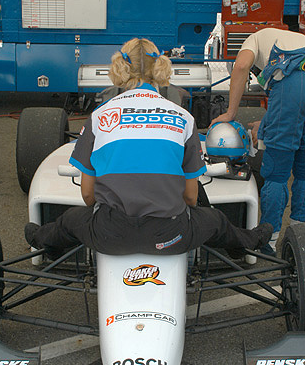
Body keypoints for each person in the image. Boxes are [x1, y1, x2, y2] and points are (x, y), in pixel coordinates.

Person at [25, 38, 272, 260]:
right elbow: (191, 197)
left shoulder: (99, 117)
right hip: (171, 238)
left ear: (120, 67)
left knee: (69, 221)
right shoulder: (183, 118)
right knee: (216, 221)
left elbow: (88, 196)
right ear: (160, 67)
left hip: (110, 237)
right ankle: (246, 245)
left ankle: (44, 242)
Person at [211, 28, 305, 256]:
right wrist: (266, 123)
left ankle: (267, 242)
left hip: (292, 78)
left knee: (276, 173)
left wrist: (231, 113)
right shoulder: (288, 37)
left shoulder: (252, 39)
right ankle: (299, 236)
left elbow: (241, 66)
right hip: (295, 80)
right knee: (302, 171)